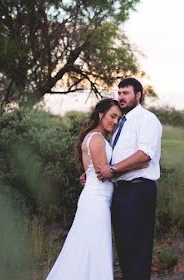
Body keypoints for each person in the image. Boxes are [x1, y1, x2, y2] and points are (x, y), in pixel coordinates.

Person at [45, 98, 123, 280]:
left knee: (87, 249)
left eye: (119, 118)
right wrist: (129, 170)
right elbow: (104, 173)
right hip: (96, 202)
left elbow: (95, 171)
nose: (115, 121)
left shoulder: (96, 137)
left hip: (96, 199)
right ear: (101, 114)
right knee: (94, 250)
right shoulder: (96, 139)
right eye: (113, 116)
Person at [95, 77, 163, 280]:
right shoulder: (119, 124)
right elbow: (114, 156)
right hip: (120, 191)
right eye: (119, 93)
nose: (121, 97)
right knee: (124, 248)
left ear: (138, 95)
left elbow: (144, 156)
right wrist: (95, 173)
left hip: (139, 190)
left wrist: (113, 170)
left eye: (126, 93)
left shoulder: (147, 119)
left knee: (138, 249)